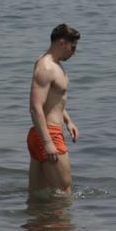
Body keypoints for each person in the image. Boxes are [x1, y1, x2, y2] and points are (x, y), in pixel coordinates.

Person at [28, 24, 81, 195]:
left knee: (38, 194)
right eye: (73, 48)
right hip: (49, 134)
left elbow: (53, 100)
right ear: (61, 43)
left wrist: (68, 120)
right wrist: (48, 143)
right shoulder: (46, 68)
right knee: (65, 192)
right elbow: (35, 107)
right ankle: (65, 223)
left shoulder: (52, 64)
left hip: (41, 134)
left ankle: (37, 222)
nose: (74, 52)